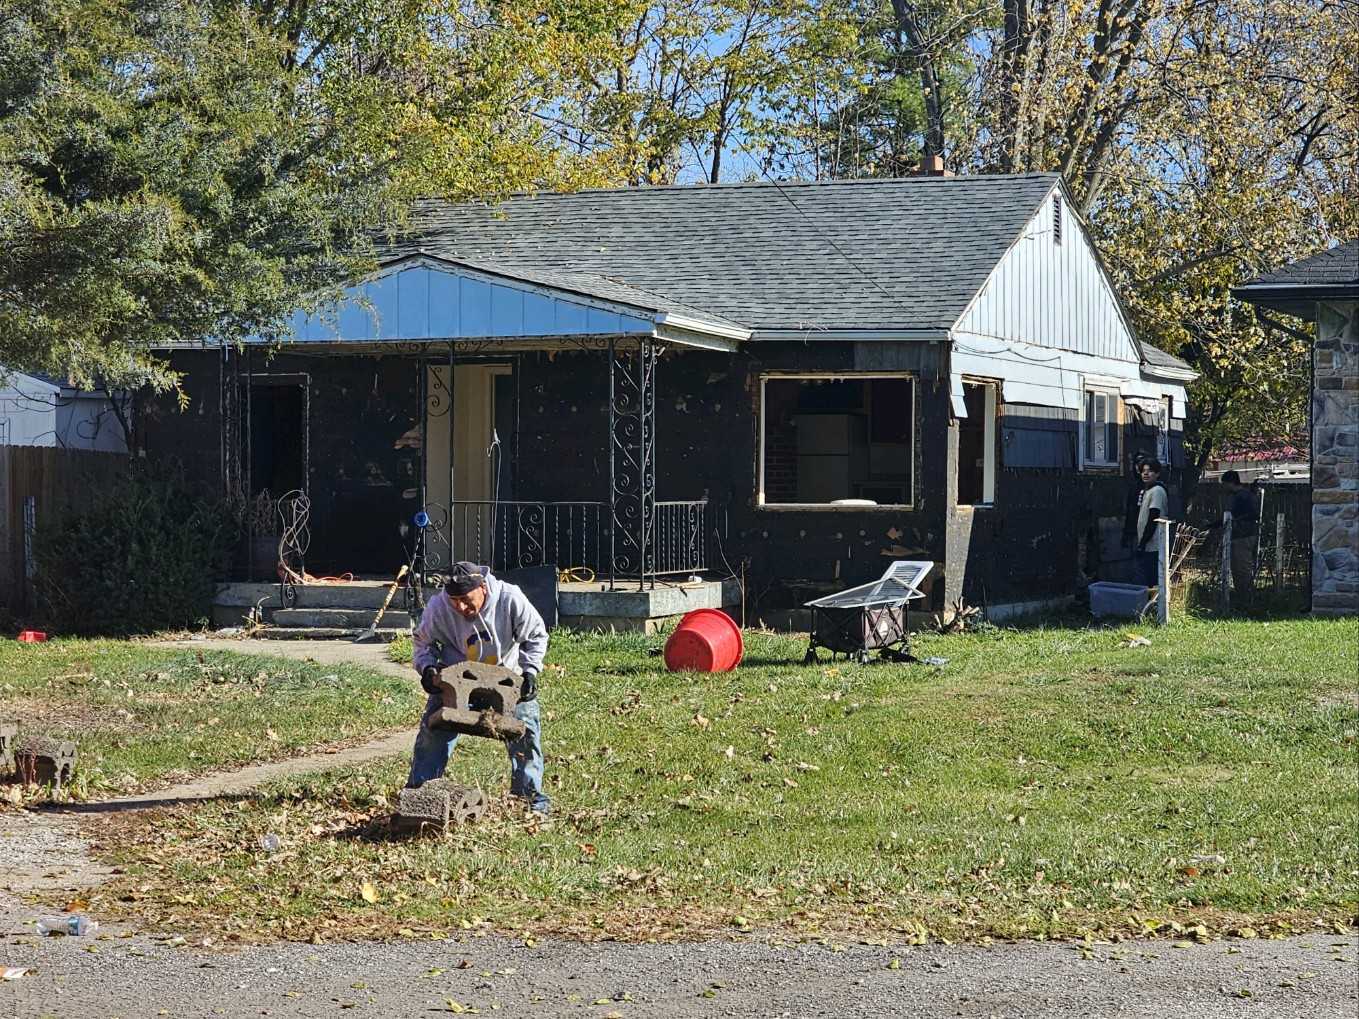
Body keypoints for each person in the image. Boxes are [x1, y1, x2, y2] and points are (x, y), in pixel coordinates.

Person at [407, 561, 551, 814]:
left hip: (506, 680)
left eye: (466, 599)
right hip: (458, 681)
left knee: (526, 732)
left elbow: (536, 635)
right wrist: (427, 668)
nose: (461, 607)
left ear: (482, 587)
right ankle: (419, 796)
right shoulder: (439, 607)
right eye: (454, 601)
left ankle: (529, 799)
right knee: (433, 730)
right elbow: (422, 643)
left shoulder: (509, 598)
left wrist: (530, 672)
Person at [1221, 470, 1260, 606]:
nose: (1223, 487)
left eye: (1225, 484)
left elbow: (1252, 514)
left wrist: (1236, 521)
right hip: (1243, 535)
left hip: (1243, 536)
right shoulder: (1244, 495)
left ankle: (1246, 598)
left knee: (1242, 569)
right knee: (1238, 569)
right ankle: (1242, 596)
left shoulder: (1242, 496)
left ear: (1231, 483)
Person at [1133, 459, 1169, 588]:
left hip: (1154, 544)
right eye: (1143, 471)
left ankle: (1154, 601)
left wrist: (1143, 542)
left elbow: (1153, 517)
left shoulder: (1157, 491)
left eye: (1150, 471)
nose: (1146, 474)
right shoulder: (1147, 491)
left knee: (1152, 580)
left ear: (1157, 473)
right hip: (1148, 543)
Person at [1122, 450, 1151, 551]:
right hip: (1134, 531)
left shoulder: (1152, 486)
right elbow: (1130, 510)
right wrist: (1127, 533)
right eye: (1136, 464)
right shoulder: (1134, 486)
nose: (1138, 467)